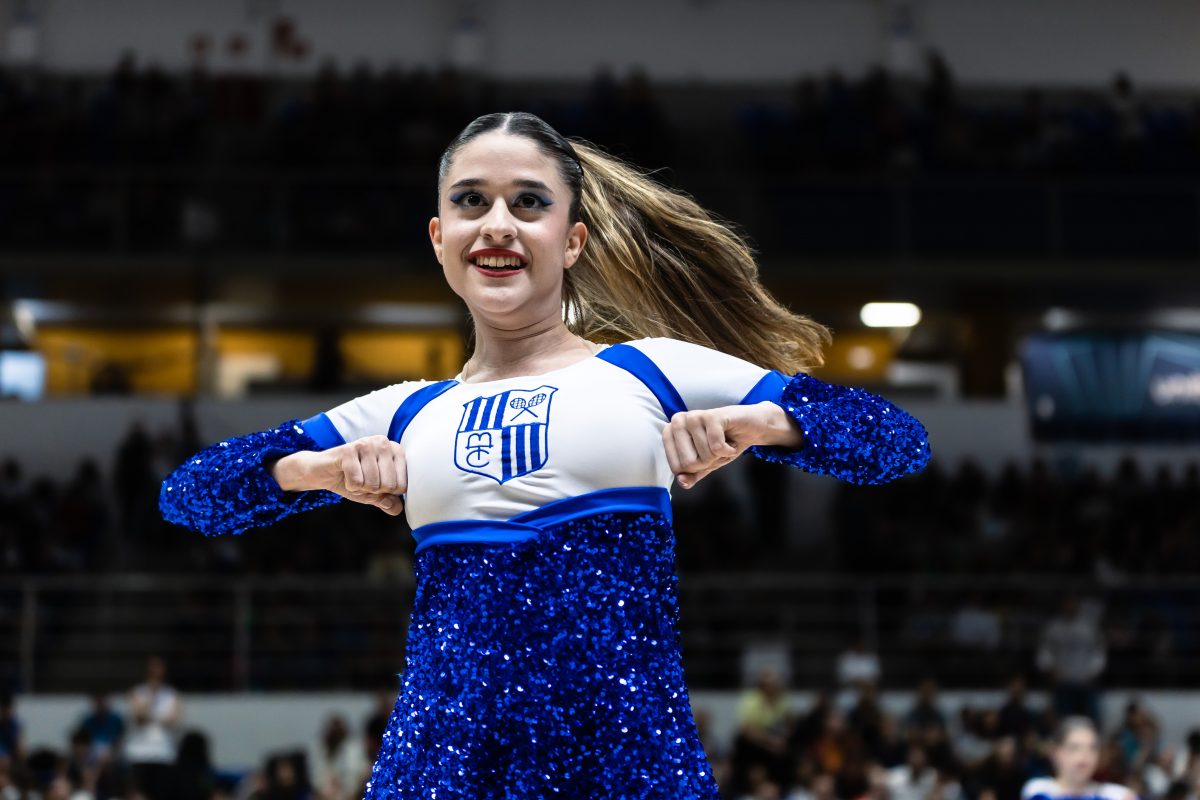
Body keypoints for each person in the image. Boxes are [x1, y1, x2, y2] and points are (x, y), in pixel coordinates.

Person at [159, 111, 932, 798]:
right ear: (439, 238)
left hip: (626, 767)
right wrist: (316, 472)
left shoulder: (651, 371)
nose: (497, 224)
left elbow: (895, 442)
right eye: (470, 201)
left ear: (572, 240)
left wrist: (761, 424)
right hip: (440, 771)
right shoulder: (402, 411)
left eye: (528, 202)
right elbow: (190, 495)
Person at [1022, 717, 1135, 800]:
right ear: (1056, 752)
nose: (1084, 756)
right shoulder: (1039, 790)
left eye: (1092, 748)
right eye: (1074, 748)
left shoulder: (1116, 795)